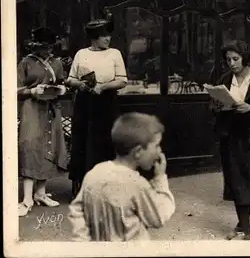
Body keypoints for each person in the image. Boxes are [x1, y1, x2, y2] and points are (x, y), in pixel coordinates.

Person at [68, 112, 175, 241]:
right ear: (138, 152)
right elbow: (158, 218)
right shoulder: (137, 184)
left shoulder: (94, 173)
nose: (160, 151)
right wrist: (160, 179)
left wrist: (83, 241)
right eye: (157, 145)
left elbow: (77, 210)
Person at [210, 40, 250, 240]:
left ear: (244, 58)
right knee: (236, 181)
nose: (231, 63)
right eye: (228, 59)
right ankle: (245, 227)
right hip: (230, 136)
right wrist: (219, 107)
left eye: (235, 59)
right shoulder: (225, 78)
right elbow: (212, 106)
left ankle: (242, 224)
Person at [66, 19, 128, 197]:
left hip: (106, 103)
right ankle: (83, 187)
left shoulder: (115, 54)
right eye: (103, 36)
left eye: (109, 35)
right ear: (94, 38)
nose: (108, 38)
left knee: (106, 141)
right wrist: (81, 84)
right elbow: (70, 79)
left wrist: (103, 86)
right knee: (83, 142)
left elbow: (123, 80)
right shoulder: (81, 54)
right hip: (85, 103)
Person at [17, 27, 69, 217]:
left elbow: (61, 82)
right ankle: (27, 198)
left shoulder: (57, 63)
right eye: (43, 47)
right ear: (36, 46)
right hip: (32, 108)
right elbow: (14, 89)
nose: (47, 51)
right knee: (30, 146)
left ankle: (41, 193)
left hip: (51, 109)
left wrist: (62, 90)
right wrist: (31, 91)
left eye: (49, 47)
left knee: (49, 147)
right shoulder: (26, 63)